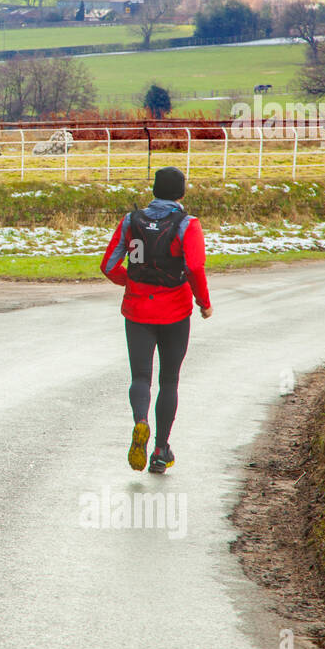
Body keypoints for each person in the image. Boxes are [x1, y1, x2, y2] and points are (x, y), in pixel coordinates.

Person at [99, 167, 212, 474]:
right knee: (169, 381)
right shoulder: (188, 225)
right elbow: (195, 268)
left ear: (153, 190)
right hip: (175, 312)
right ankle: (161, 451)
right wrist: (204, 303)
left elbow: (108, 265)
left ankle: (140, 422)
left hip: (137, 311)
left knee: (140, 378)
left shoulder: (130, 221)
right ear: (182, 194)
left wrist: (132, 284)